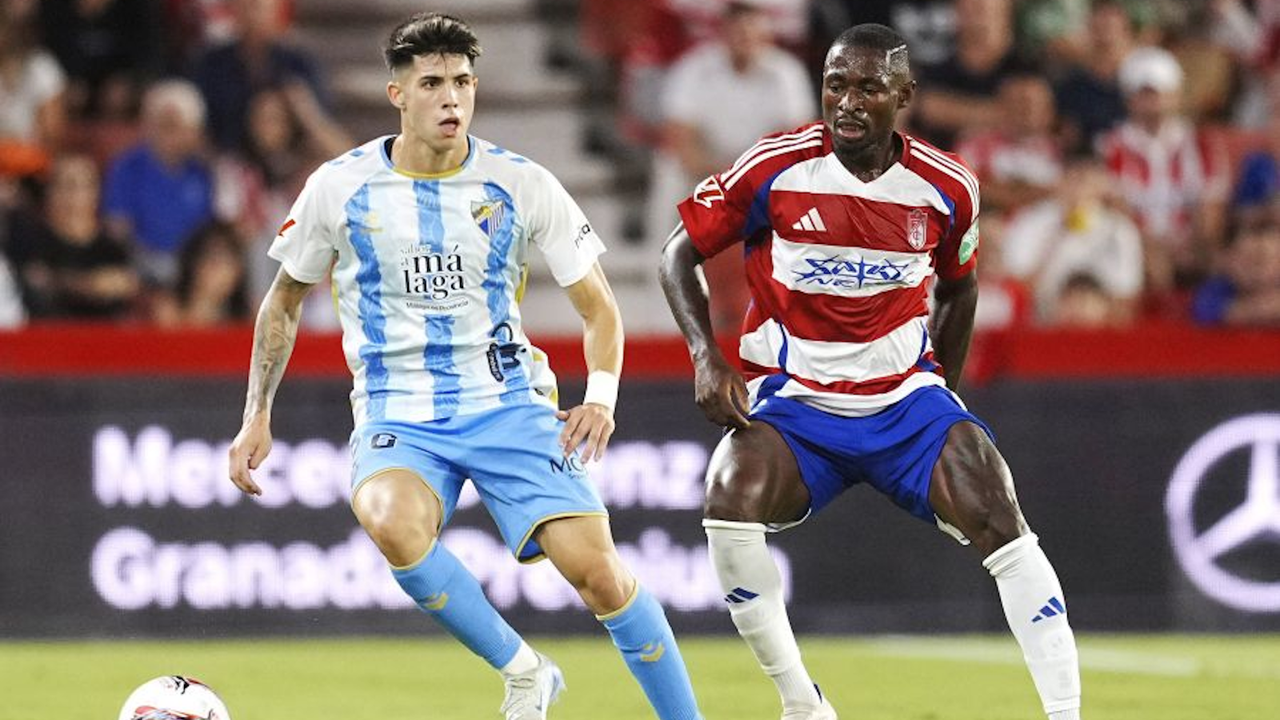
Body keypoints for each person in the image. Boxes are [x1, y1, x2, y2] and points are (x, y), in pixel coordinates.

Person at [226, 13, 703, 720]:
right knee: (389, 520)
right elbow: (283, 302)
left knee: (601, 576)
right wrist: (256, 414)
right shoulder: (339, 186)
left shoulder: (521, 182)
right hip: (399, 410)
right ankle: (525, 670)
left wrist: (601, 397)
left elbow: (600, 309)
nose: (451, 97)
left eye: (462, 82)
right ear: (397, 94)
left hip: (509, 402)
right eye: (432, 83)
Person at [659, 23, 1083, 720]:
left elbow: (960, 288)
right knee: (728, 499)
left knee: (1000, 514)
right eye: (835, 85)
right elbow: (679, 252)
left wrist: (941, 398)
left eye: (868, 87)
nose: (848, 102)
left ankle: (1066, 714)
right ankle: (802, 703)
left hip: (904, 401)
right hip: (794, 403)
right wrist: (706, 356)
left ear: (903, 95)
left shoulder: (948, 187)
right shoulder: (775, 166)